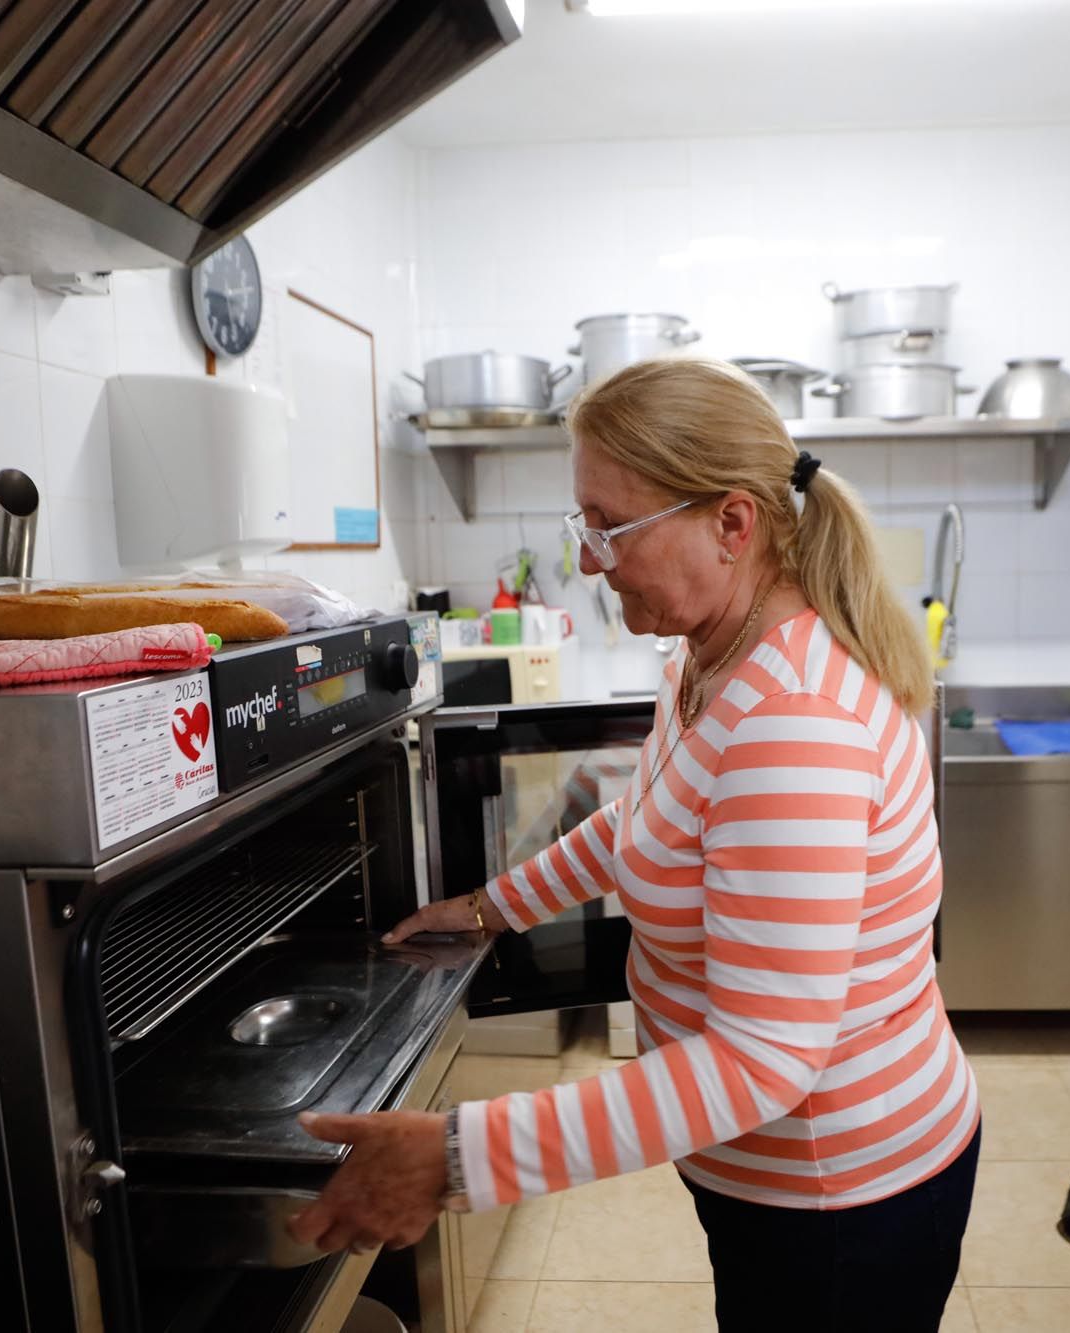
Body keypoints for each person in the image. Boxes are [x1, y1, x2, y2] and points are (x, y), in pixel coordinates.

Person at [288, 358, 980, 1332]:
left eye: (607, 526)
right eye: (585, 524)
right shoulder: (711, 658)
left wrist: (449, 1156)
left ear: (731, 524)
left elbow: (761, 1059)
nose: (588, 560)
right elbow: (642, 823)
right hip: (763, 1169)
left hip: (838, 1188)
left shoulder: (792, 722)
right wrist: (488, 908)